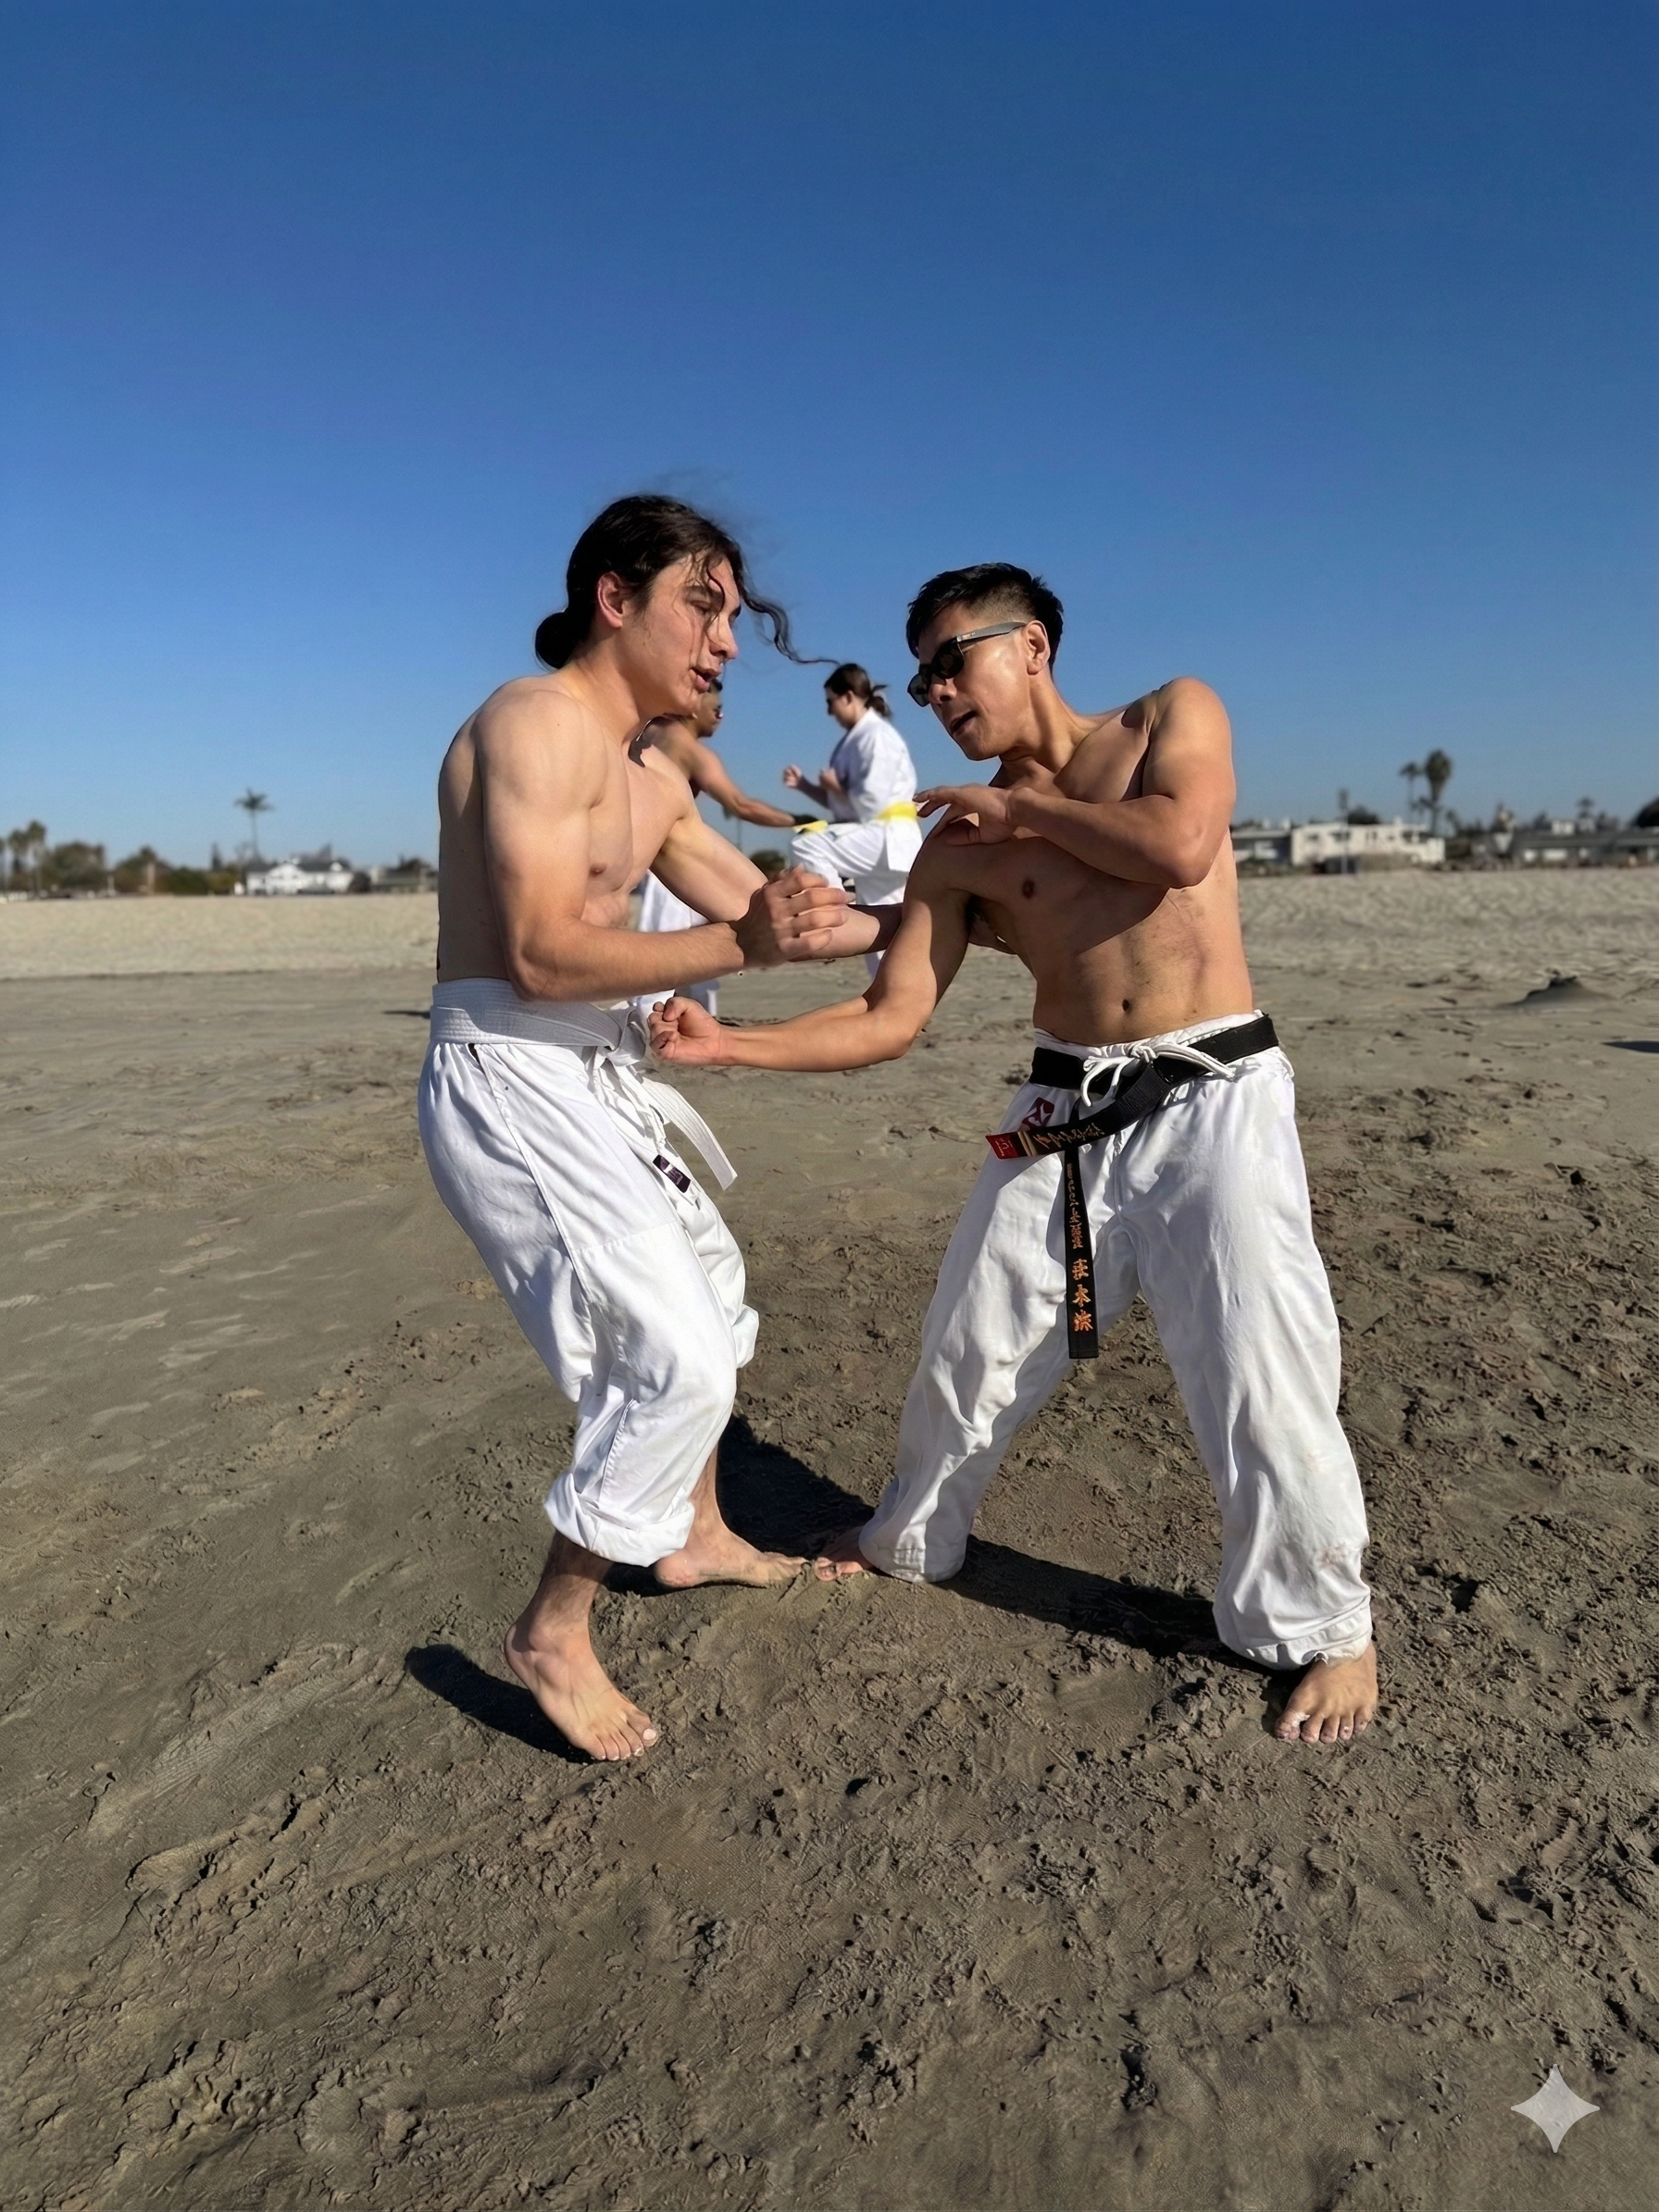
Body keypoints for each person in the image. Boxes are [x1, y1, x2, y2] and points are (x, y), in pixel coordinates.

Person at [652, 562, 1378, 1747]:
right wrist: (732, 1044)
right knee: (970, 1338)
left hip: (1214, 1090)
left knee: (1259, 1357)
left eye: (954, 658)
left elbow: (1182, 845)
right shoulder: (956, 846)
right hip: (1060, 1106)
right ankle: (909, 1534)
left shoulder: (1165, 719)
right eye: (921, 675)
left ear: (1032, 644)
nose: (936, 690)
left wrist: (1028, 809)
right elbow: (892, 1016)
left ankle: (1325, 1626)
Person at [418, 494, 871, 1763]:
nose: (726, 643)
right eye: (706, 608)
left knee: (715, 1296)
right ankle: (553, 1628)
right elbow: (540, 948)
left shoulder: (647, 771)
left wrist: (969, 904)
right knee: (672, 1356)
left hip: (596, 1073)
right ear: (616, 599)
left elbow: (772, 907)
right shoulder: (533, 723)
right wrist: (742, 941)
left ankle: (693, 1532)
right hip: (510, 1072)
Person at [631, 677, 797, 1021]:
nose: (721, 718)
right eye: (717, 709)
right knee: (670, 939)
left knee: (693, 936)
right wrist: (801, 820)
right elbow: (741, 805)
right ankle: (651, 1018)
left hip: (644, 852)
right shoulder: (689, 748)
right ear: (694, 704)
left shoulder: (647, 731)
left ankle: (689, 1013)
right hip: (669, 857)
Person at [784, 665, 922, 941]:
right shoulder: (852, 742)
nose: (829, 711)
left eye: (830, 702)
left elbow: (872, 803)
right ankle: (893, 982)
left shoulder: (877, 736)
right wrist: (805, 787)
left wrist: (836, 785)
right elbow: (842, 807)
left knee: (807, 842)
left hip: (888, 834)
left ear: (848, 697)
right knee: (883, 933)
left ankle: (834, 913)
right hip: (878, 841)